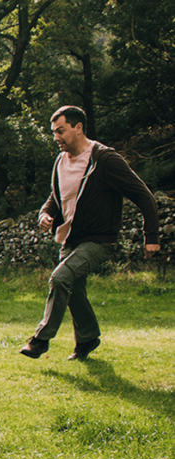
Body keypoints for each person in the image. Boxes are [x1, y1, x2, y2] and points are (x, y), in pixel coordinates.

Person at [20, 106, 159, 360]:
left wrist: (152, 237)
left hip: (99, 239)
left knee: (60, 278)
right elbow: (56, 195)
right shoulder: (61, 161)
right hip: (70, 238)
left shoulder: (104, 159)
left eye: (60, 131)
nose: (56, 138)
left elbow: (143, 195)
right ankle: (87, 339)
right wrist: (45, 213)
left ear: (78, 127)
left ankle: (40, 340)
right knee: (73, 290)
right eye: (53, 133)